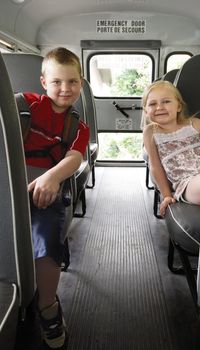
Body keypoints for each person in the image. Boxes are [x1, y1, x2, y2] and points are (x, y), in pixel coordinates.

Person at [22, 47, 89, 349]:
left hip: (49, 189)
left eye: (73, 82)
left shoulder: (78, 126)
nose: (65, 88)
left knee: (48, 238)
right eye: (57, 82)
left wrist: (51, 176)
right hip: (12, 183)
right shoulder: (25, 106)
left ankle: (47, 305)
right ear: (43, 81)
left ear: (82, 82)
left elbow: (75, 157)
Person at [142, 80, 200, 217]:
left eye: (166, 101)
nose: (159, 107)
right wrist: (166, 195)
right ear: (146, 111)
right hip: (188, 183)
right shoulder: (151, 132)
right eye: (152, 104)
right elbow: (155, 166)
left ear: (179, 106)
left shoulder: (195, 123)